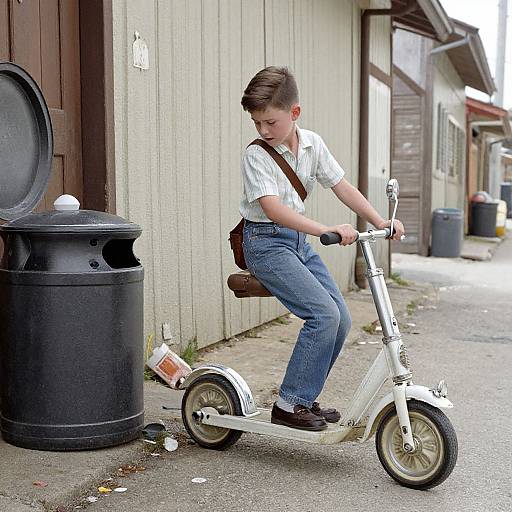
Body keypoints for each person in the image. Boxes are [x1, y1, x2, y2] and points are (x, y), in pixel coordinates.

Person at [239, 66, 405, 431]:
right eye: (257, 124)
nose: (264, 131)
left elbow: (342, 186)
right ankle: (288, 404)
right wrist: (324, 229)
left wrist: (379, 221)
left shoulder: (313, 144)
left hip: (296, 242)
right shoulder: (257, 156)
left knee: (341, 319)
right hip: (265, 243)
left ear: (294, 113)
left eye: (271, 122)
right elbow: (273, 209)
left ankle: (302, 397)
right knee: (323, 315)